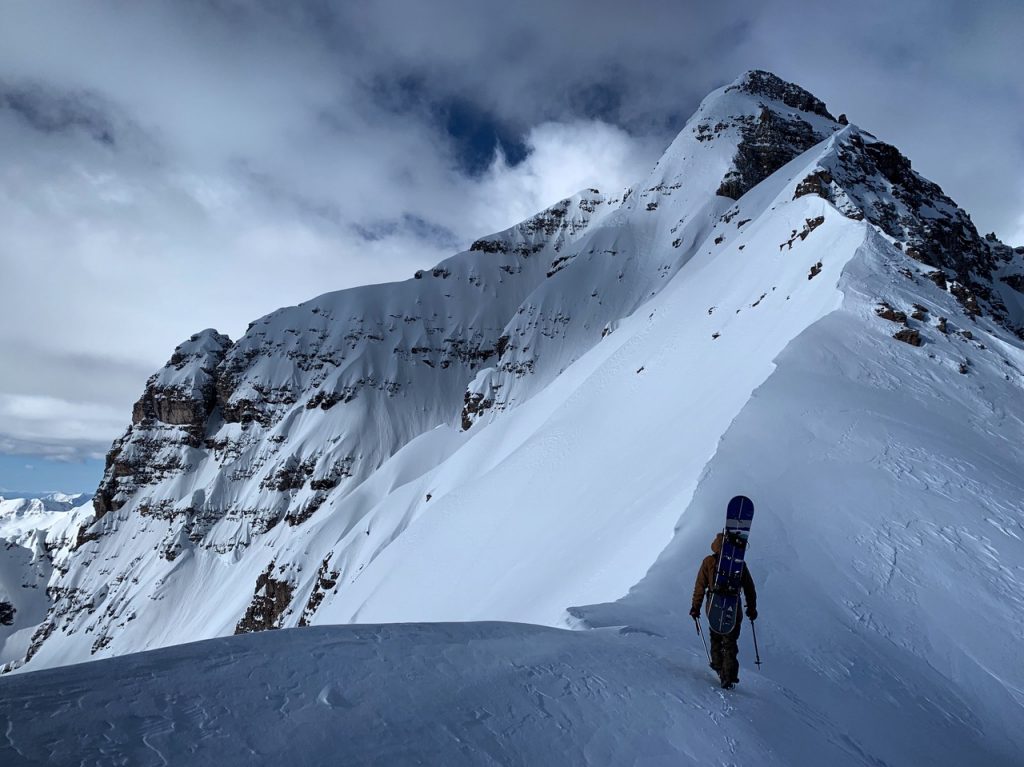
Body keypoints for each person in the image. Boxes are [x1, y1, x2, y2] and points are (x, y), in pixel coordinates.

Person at [690, 532, 757, 689]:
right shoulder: (739, 564)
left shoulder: (708, 562)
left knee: (716, 637)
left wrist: (695, 607)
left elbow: (700, 586)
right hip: (733, 609)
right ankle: (729, 676)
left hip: (714, 607)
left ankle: (719, 667)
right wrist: (752, 609)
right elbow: (749, 588)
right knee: (730, 642)